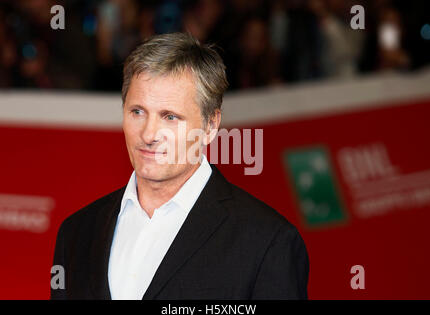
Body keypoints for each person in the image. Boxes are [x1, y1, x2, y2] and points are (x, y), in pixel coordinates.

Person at [50, 32, 309, 300]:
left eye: (170, 117)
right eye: (137, 111)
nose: (149, 134)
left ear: (210, 126)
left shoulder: (268, 243)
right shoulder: (77, 233)